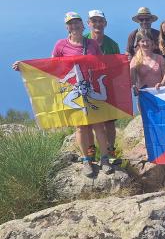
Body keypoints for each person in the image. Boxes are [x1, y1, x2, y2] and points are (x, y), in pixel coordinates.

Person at [13, 12, 110, 177]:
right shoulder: (61, 45)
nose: (74, 26)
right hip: (72, 91)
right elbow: (50, 66)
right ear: (67, 27)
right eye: (70, 24)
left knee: (98, 126)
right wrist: (24, 66)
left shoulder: (92, 44)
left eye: (77, 22)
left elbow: (103, 64)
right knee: (81, 127)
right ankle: (87, 160)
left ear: (82, 25)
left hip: (90, 89)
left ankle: (105, 160)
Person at [84, 9, 120, 160]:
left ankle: (110, 150)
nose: (97, 24)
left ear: (105, 23)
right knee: (89, 122)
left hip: (107, 87)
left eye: (100, 21)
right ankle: (91, 152)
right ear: (88, 23)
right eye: (94, 21)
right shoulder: (83, 41)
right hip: (86, 88)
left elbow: (119, 69)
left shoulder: (112, 45)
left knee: (109, 122)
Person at [130, 29, 165, 96]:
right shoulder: (135, 60)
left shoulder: (160, 59)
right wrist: (134, 88)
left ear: (152, 42)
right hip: (144, 98)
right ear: (138, 43)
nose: (145, 44)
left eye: (147, 41)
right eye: (142, 41)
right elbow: (132, 82)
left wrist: (162, 84)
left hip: (160, 95)